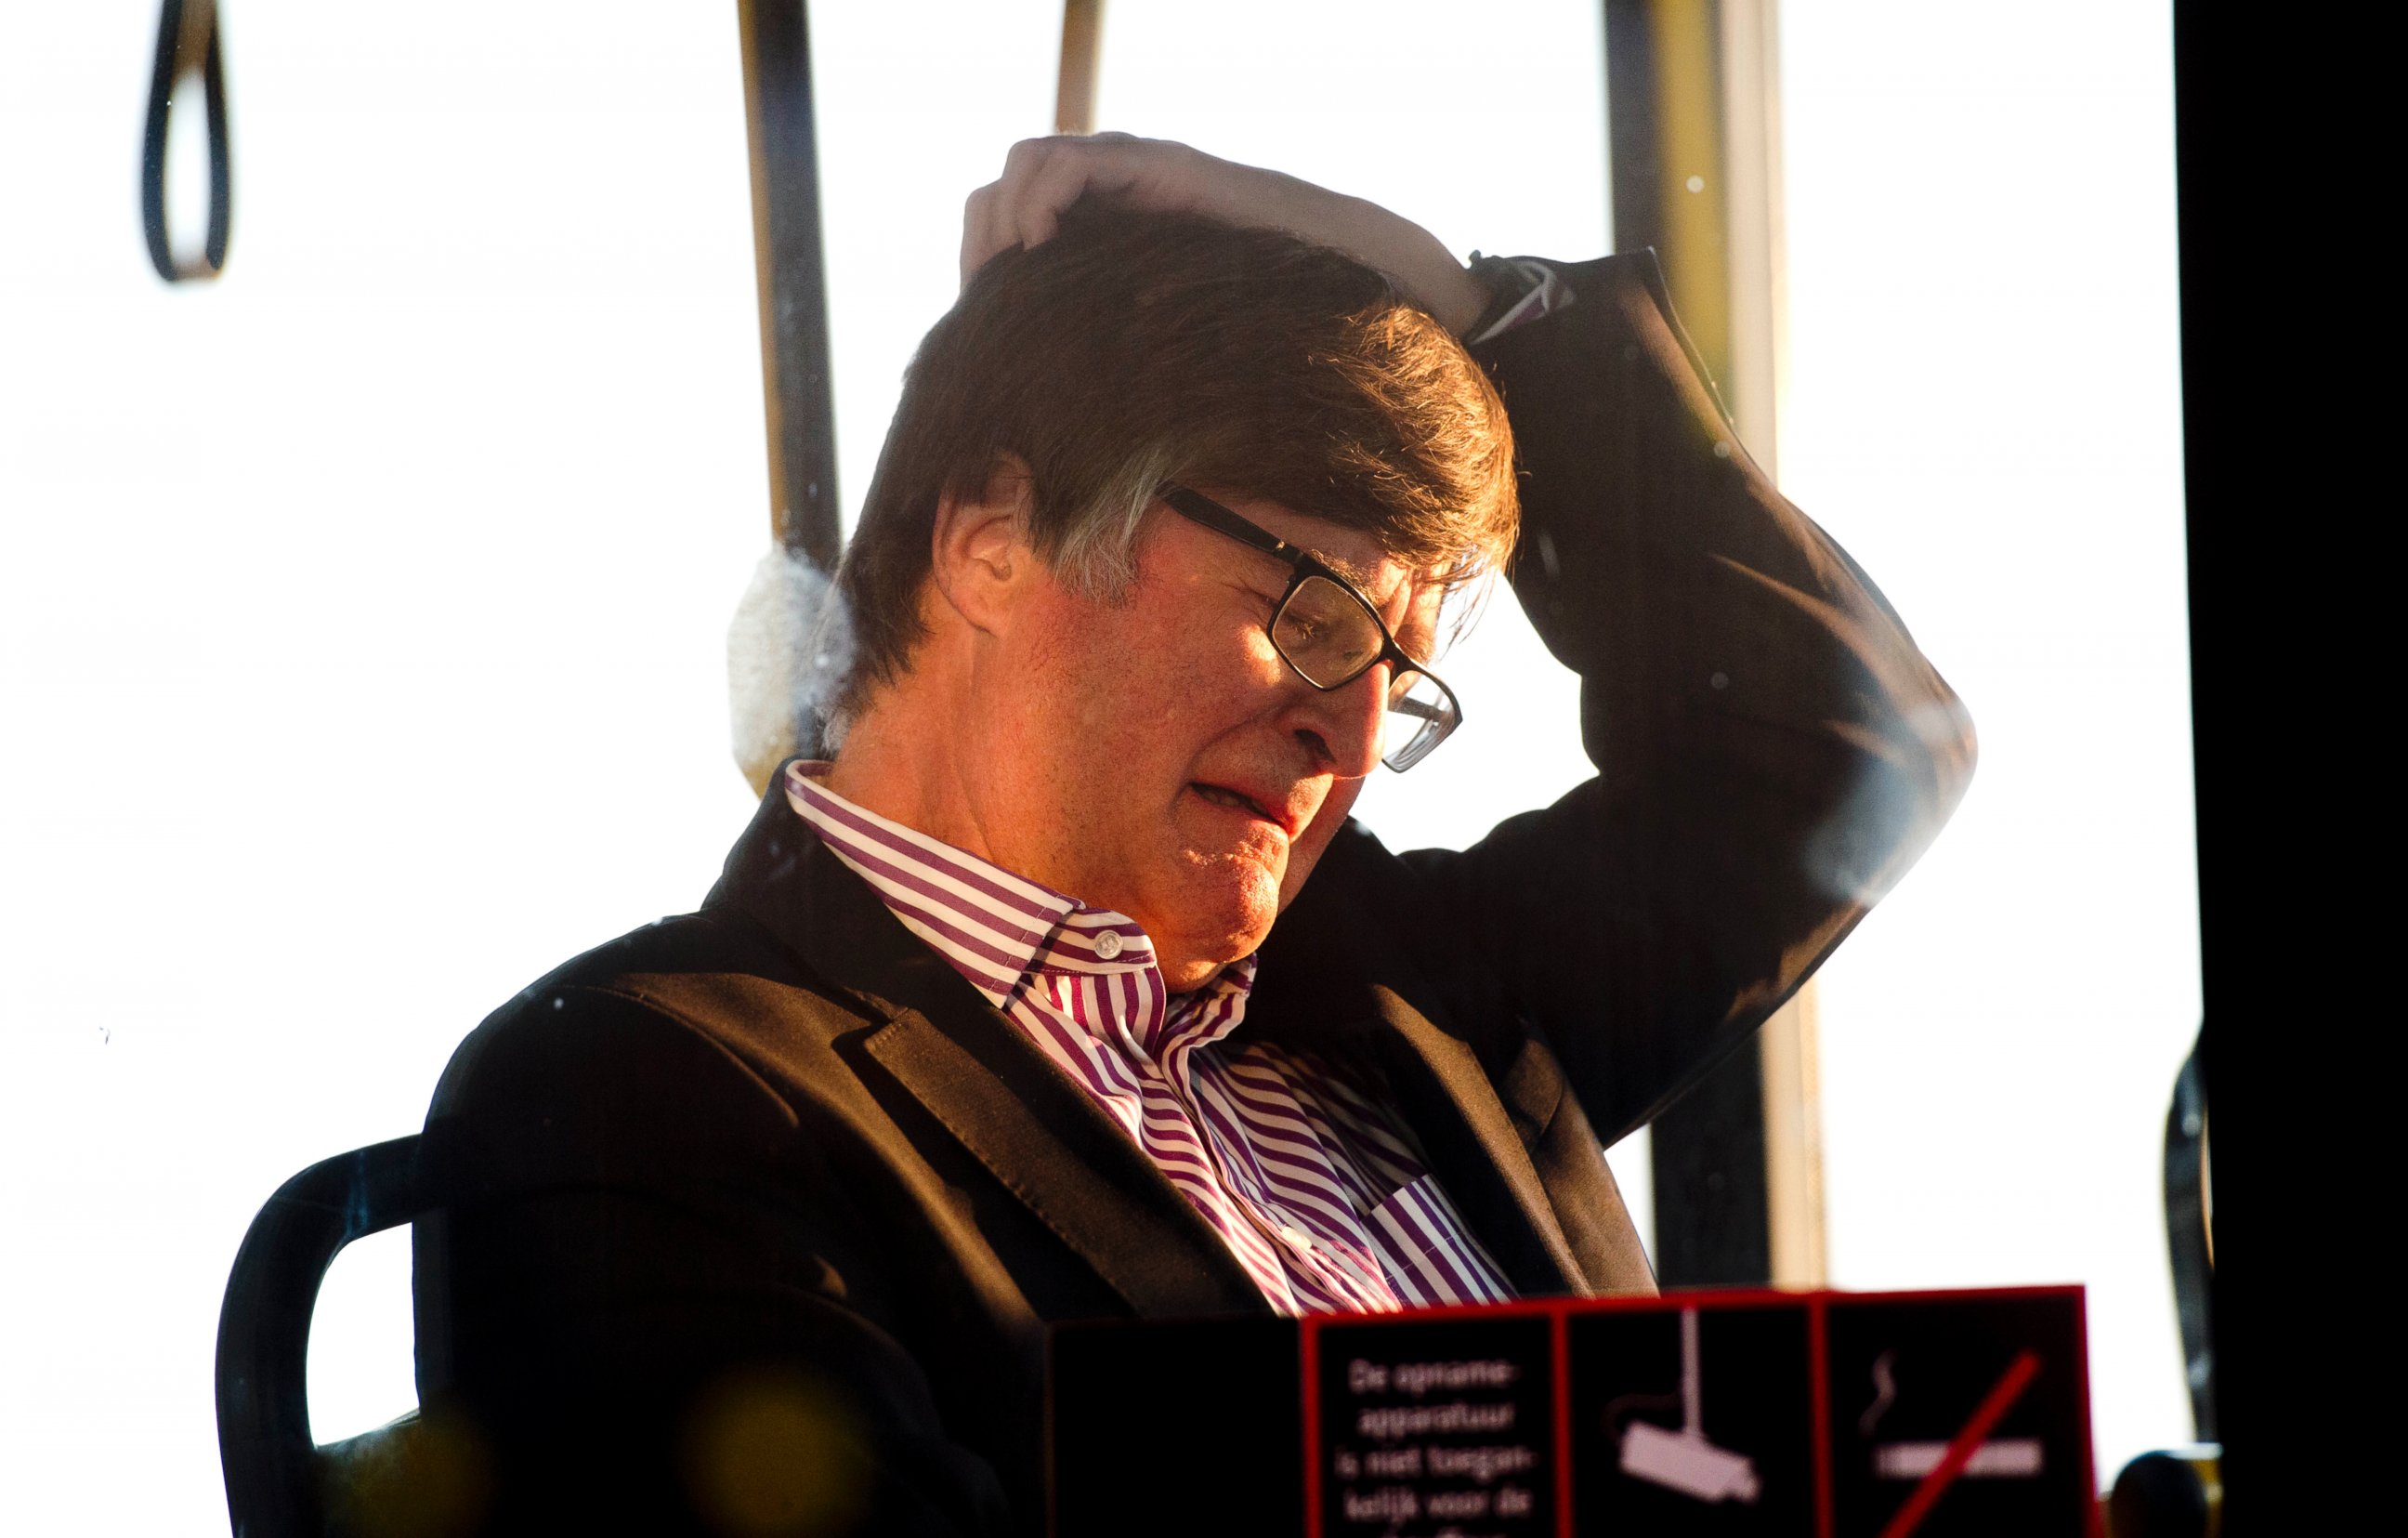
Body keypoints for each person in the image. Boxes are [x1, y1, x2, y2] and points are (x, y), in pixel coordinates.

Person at [412, 136, 1974, 1536]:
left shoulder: (1404, 998)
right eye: (1310, 614)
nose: (1354, 736)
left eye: (1399, 676)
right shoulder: (646, 1101)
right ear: (990, 536)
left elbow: (1848, 748)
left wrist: (1448, 293)